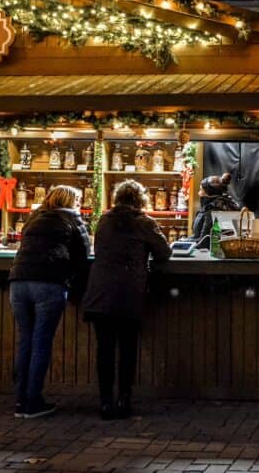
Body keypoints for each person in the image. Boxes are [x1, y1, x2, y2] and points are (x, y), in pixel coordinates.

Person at [82, 180, 171, 420]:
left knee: (105, 349)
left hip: (100, 292)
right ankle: (124, 399)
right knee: (128, 348)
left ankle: (104, 403)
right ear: (139, 199)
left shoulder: (103, 221)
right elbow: (164, 252)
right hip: (128, 292)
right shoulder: (144, 223)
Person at [8, 185, 91, 419]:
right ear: (72, 200)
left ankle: (20, 401)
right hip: (49, 282)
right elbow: (84, 254)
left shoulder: (33, 219)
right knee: (41, 342)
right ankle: (33, 401)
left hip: (18, 282)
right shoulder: (73, 220)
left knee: (25, 341)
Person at [192, 172, 239, 242]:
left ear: (209, 193)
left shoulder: (212, 209)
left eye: (201, 190)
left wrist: (180, 243)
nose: (199, 193)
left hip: (212, 250)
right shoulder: (225, 203)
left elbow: (204, 241)